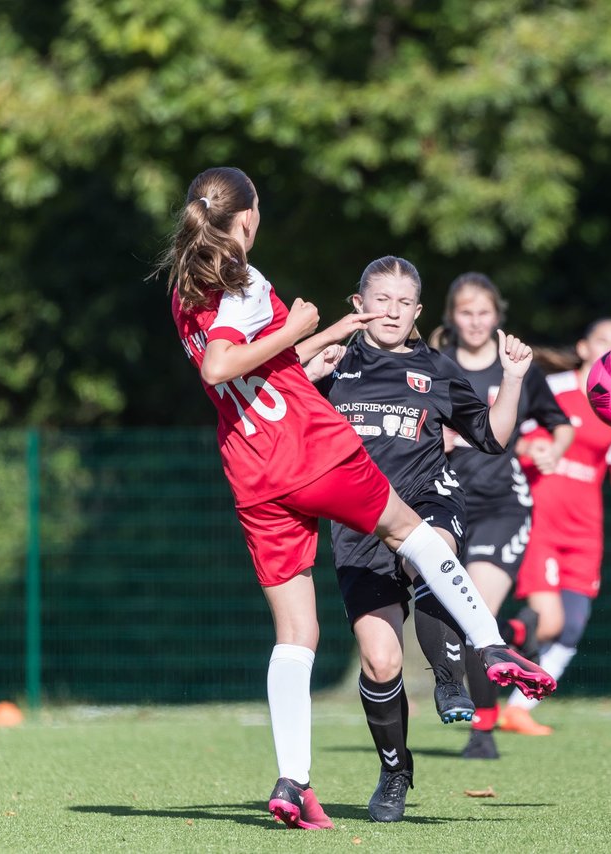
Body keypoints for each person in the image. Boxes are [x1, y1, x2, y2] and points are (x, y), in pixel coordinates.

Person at [159, 167, 555, 830]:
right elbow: (221, 364)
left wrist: (318, 332)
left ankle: (294, 783)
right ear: (247, 219)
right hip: (304, 445)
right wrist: (302, 327)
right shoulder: (247, 282)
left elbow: (247, 365)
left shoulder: (185, 289)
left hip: (250, 467)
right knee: (411, 532)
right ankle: (490, 645)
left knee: (296, 632)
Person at [316, 255, 538, 821]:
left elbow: (492, 437)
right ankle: (394, 773)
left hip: (426, 499)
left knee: (433, 551)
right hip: (357, 524)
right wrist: (312, 361)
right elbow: (263, 389)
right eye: (380, 299)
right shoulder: (333, 364)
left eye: (403, 301)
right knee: (381, 660)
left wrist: (511, 380)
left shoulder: (436, 369)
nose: (391, 310)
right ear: (358, 304)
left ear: (417, 311)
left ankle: (450, 677)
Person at [427, 273, 574, 759]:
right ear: (453, 316)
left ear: (497, 316)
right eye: (466, 313)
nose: (475, 321)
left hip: (502, 506)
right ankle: (522, 636)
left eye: (484, 313)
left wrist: (552, 450)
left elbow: (559, 425)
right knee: (461, 615)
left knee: (477, 615)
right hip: (446, 502)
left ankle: (482, 730)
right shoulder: (436, 364)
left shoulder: (517, 367)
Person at [501, 319, 611, 733]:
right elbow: (514, 438)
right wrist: (531, 446)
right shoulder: (555, 389)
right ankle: (486, 663)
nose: (610, 350)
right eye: (604, 342)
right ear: (583, 347)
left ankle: (517, 709)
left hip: (585, 530)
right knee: (549, 621)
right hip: (542, 519)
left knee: (573, 626)